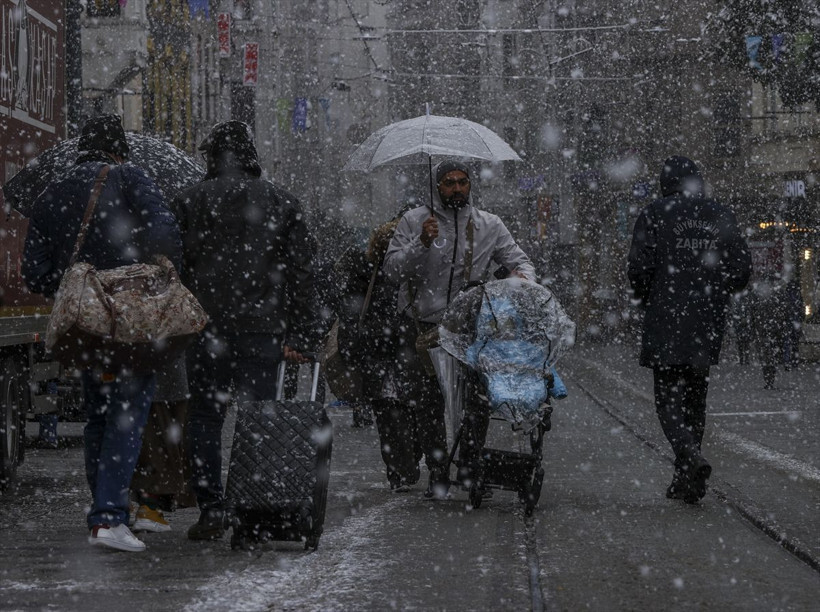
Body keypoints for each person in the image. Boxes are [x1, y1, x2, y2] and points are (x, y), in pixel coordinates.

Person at [22, 113, 182, 552]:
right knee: (127, 413)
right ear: (119, 149)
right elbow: (166, 234)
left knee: (98, 414)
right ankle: (109, 516)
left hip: (85, 326)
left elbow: (33, 271)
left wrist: (77, 284)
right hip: (129, 319)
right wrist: (157, 277)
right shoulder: (131, 177)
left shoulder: (52, 192)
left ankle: (105, 509)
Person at [170, 120, 318, 541]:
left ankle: (212, 507)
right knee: (257, 418)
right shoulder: (282, 202)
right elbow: (303, 272)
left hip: (205, 328)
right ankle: (252, 510)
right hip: (262, 328)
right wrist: (301, 334)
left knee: (204, 416)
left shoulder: (188, 201)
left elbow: (172, 265)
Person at [382, 160, 536, 498]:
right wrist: (421, 242)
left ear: (470, 185)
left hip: (472, 328)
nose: (456, 189)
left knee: (477, 401)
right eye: (449, 183)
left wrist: (520, 279)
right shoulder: (414, 221)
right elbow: (392, 270)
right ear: (436, 187)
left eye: (462, 182)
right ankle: (438, 470)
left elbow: (520, 261)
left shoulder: (489, 224)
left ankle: (469, 467)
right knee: (429, 403)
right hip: (423, 327)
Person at [627, 156, 751, 504]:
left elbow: (638, 269)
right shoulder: (719, 214)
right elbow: (741, 269)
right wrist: (716, 291)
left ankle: (689, 457)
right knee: (696, 400)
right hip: (706, 321)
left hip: (666, 319)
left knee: (668, 400)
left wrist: (650, 296)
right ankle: (687, 479)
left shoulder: (654, 213)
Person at [335, 211, 418, 490]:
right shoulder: (393, 274)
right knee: (400, 412)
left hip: (381, 352)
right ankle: (403, 467)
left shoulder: (367, 272)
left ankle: (399, 469)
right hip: (393, 350)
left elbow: (351, 315)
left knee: (390, 416)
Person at [129, 356, 196, 533]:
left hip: (139, 369)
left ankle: (118, 507)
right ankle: (149, 507)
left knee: (146, 439)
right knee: (161, 441)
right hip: (165, 372)